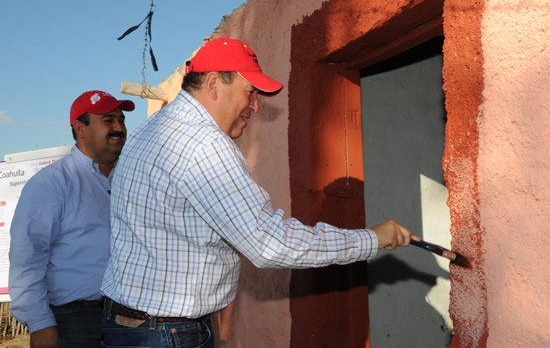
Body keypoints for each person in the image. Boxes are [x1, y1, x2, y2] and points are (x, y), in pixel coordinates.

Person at [100, 37, 418, 347]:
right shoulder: (206, 145)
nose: (255, 106)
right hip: (165, 334)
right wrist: (373, 239)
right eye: (250, 92)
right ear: (213, 84)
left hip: (128, 325)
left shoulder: (149, 129)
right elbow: (269, 244)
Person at [9, 90, 135, 348]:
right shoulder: (51, 184)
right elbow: (27, 259)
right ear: (80, 128)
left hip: (129, 319)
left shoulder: (132, 180)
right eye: (108, 120)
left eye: (121, 120)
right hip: (75, 321)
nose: (118, 128)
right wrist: (40, 324)